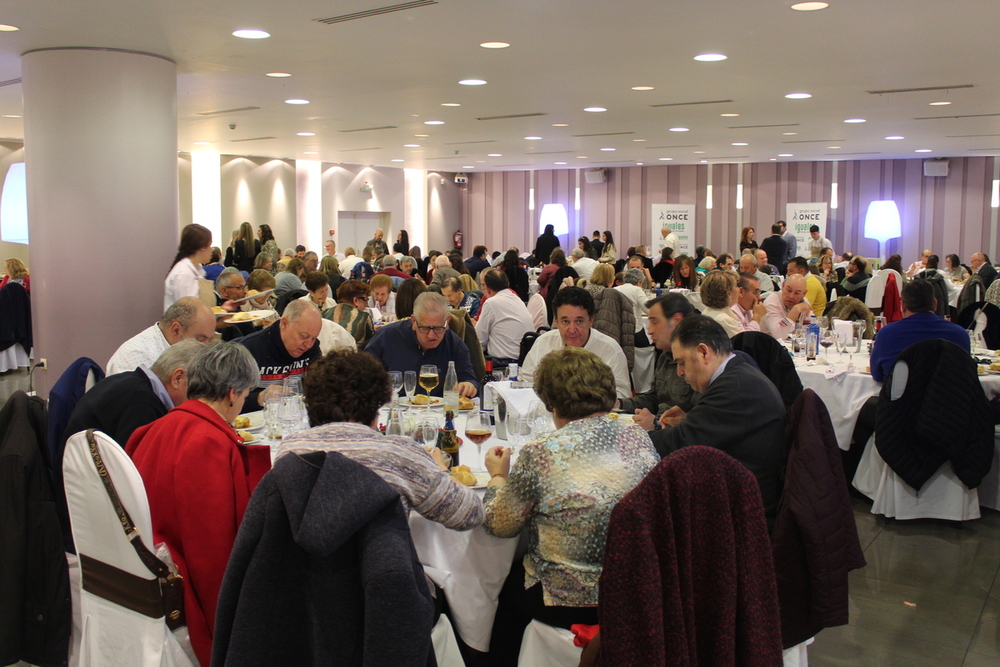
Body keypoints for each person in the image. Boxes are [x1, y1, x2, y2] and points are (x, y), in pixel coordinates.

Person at [482, 346, 658, 665]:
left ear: (550, 401)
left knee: (499, 589)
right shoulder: (638, 436)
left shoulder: (541, 452)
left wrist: (497, 478)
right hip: (633, 591)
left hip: (567, 598)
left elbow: (499, 525)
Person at [125, 342, 271, 667]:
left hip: (140, 576)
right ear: (232, 393)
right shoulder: (208, 444)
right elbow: (212, 556)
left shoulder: (152, 429)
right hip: (182, 591)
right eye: (246, 394)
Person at [276, 349, 483, 529]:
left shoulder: (289, 451)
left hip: (301, 572)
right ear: (377, 405)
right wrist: (441, 469)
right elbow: (470, 513)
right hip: (381, 569)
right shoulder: (397, 453)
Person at [647, 315, 786, 519]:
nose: (680, 372)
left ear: (703, 352)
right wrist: (690, 420)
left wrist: (622, 437)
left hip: (745, 513)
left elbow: (678, 444)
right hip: (741, 492)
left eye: (681, 362)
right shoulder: (739, 370)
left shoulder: (737, 387)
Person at [65, 339, 202, 450]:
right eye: (201, 389)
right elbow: (140, 470)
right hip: (88, 481)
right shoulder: (141, 405)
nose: (202, 400)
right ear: (178, 378)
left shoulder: (130, 381)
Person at [521, 287, 631, 399]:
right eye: (565, 322)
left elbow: (622, 395)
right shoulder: (543, 343)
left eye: (579, 321)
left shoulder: (610, 349)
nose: (572, 329)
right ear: (556, 322)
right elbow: (525, 383)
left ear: (591, 321)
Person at [364, 292, 479, 397]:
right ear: (413, 321)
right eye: (424, 328)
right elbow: (363, 375)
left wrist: (468, 385)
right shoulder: (387, 337)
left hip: (438, 413)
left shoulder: (455, 344)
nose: (431, 335)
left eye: (438, 328)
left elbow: (469, 379)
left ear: (447, 321)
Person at [620, 293, 700, 430]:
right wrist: (618, 405)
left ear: (677, 321)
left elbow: (698, 422)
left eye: (655, 322)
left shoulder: (698, 360)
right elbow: (655, 397)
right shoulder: (665, 354)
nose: (649, 330)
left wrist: (656, 424)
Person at [869, 278, 969, 382]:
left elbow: (877, 375)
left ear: (902, 306)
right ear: (935, 304)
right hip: (948, 396)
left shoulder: (887, 334)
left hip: (903, 397)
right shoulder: (960, 334)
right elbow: (965, 375)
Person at [236, 299, 322, 408]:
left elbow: (322, 386)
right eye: (303, 336)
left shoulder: (312, 349)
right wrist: (258, 398)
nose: (308, 344)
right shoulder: (248, 350)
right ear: (285, 324)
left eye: (314, 338)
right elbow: (225, 400)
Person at [107, 297, 216, 374]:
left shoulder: (182, 351)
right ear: (176, 330)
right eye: (200, 339)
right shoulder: (136, 357)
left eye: (209, 339)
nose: (206, 346)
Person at [476, 268, 534, 368]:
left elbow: (479, 340)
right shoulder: (516, 299)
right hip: (524, 359)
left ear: (487, 288)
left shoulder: (491, 303)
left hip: (503, 362)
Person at [164, 223, 213, 310]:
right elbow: (189, 313)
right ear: (202, 247)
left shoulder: (197, 270)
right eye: (210, 245)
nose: (212, 249)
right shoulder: (184, 273)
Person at [325, 279, 375, 346]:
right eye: (365, 299)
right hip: (351, 355)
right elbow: (372, 345)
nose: (367, 304)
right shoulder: (364, 317)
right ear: (355, 300)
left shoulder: (324, 313)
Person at [762, 274, 812, 338]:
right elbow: (780, 335)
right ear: (783, 286)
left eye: (797, 293)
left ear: (804, 294)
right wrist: (795, 311)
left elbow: (811, 330)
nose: (791, 296)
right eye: (789, 290)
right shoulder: (771, 302)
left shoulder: (804, 302)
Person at [215, 267, 258, 341]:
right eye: (240, 288)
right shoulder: (235, 318)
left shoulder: (219, 314)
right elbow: (253, 341)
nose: (245, 292)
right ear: (225, 291)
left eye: (245, 287)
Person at [699, 269, 741, 337]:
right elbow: (740, 344)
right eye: (736, 286)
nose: (739, 289)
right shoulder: (724, 320)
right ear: (728, 292)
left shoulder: (707, 311)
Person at [614, 268, 650, 344]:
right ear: (639, 281)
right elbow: (649, 309)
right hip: (634, 332)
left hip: (617, 331)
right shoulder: (636, 290)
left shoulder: (614, 290)